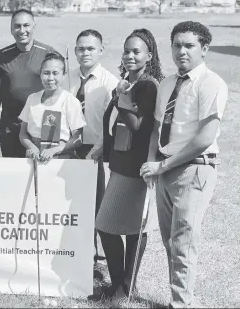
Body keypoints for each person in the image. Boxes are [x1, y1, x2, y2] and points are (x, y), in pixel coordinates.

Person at [140, 21, 228, 308]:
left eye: (189, 45)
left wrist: (163, 167)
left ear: (204, 49)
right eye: (177, 45)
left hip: (195, 170)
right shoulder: (167, 83)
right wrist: (153, 162)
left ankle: (181, 304)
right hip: (165, 169)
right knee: (170, 242)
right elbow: (156, 128)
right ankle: (181, 299)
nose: (182, 51)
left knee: (183, 242)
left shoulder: (211, 83)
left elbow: (204, 138)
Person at [88, 28, 164, 301]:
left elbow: (139, 127)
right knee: (124, 226)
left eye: (137, 51)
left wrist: (122, 96)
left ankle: (124, 286)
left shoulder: (148, 85)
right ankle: (120, 285)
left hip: (135, 167)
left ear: (149, 55)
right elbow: (114, 125)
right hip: (119, 163)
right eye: (127, 50)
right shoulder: (127, 83)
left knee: (118, 226)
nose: (130, 56)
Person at [67, 29, 119, 281]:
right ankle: (75, 255)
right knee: (71, 207)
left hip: (97, 153)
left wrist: (99, 151)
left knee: (98, 208)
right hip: (69, 150)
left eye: (90, 48)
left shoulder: (110, 82)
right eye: (80, 48)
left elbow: (112, 125)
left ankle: (96, 262)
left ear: (101, 50)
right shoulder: (67, 79)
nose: (85, 52)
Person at [0, 9, 56, 158]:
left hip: (40, 125)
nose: (22, 30)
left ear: (34, 26)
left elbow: (59, 90)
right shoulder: (2, 55)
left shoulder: (48, 53)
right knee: (13, 173)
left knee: (41, 172)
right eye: (17, 26)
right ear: (11, 28)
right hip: (10, 126)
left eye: (26, 25)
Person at [18, 52, 85, 161]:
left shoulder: (70, 101)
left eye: (55, 73)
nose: (50, 78)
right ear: (40, 74)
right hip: (34, 157)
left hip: (61, 159)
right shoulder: (32, 99)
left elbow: (77, 140)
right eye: (46, 73)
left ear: (64, 75)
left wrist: (54, 150)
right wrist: (32, 147)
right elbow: (22, 134)